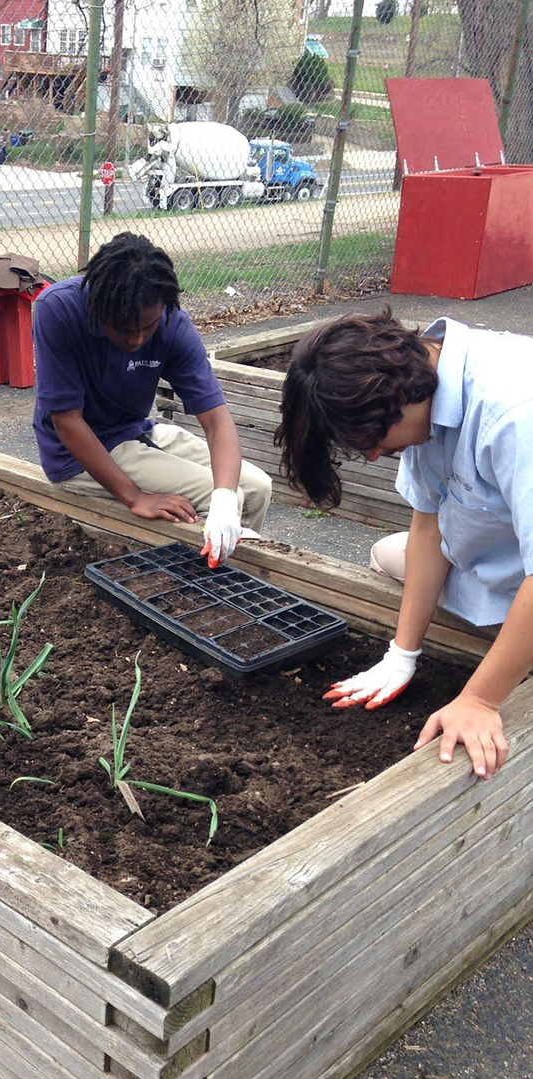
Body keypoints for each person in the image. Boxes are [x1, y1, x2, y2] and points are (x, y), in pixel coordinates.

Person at [275, 308, 533, 780]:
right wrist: (402, 654)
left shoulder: (514, 412)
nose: (372, 454)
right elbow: (428, 528)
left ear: (396, 396)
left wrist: (479, 699)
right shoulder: (426, 387)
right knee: (386, 556)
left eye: (370, 439)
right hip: (502, 563)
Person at [32, 233, 271, 566]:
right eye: (123, 329)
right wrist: (135, 497)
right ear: (98, 309)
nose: (137, 338)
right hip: (76, 452)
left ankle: (229, 578)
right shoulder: (58, 310)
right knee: (209, 497)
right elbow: (66, 422)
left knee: (256, 488)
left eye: (148, 327)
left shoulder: (172, 324)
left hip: (137, 430)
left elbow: (217, 420)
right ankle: (193, 590)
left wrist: (225, 499)